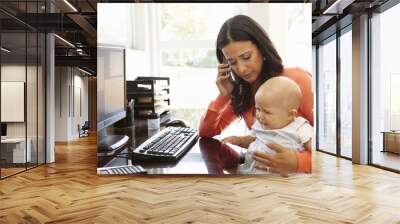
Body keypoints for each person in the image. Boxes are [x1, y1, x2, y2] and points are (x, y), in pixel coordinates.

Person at [198, 15, 314, 176]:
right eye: (232, 62)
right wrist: (223, 95)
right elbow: (206, 132)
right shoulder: (243, 90)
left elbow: (329, 146)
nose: (242, 69)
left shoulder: (296, 79)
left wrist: (297, 162)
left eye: (246, 57)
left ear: (262, 49)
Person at [222, 77, 313, 176]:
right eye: (258, 109)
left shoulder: (301, 128)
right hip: (248, 175)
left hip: (281, 183)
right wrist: (238, 140)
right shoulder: (261, 123)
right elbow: (252, 140)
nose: (259, 115)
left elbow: (317, 154)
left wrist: (298, 161)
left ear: (290, 115)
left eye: (267, 112)